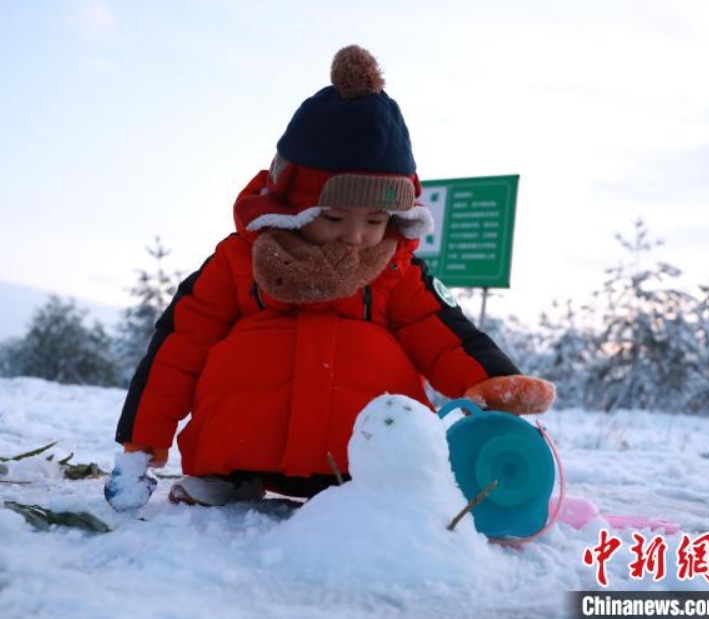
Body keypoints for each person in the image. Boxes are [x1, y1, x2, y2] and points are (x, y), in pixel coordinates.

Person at [104, 45, 556, 511]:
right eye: (336, 218)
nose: (357, 237)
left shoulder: (396, 272)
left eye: (376, 220)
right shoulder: (242, 261)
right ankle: (228, 477)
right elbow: (181, 346)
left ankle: (369, 486)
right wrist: (143, 438)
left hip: (357, 461)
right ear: (293, 207)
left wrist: (493, 381)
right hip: (240, 446)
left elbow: (443, 336)